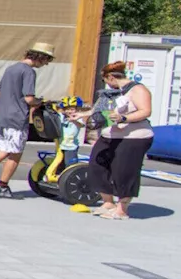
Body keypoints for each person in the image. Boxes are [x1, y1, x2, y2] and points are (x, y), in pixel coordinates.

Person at [0, 42, 54, 200]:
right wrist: (41, 101)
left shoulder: (11, 69)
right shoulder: (29, 72)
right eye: (46, 61)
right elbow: (29, 98)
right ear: (40, 57)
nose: (46, 64)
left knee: (5, 150)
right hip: (16, 117)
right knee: (12, 152)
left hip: (1, 116)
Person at [77, 61, 154, 220]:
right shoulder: (112, 92)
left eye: (105, 80)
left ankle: (122, 209)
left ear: (111, 77)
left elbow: (146, 111)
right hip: (110, 135)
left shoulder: (137, 89)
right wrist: (81, 116)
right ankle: (108, 202)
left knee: (123, 171)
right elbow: (101, 112)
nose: (106, 84)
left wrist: (124, 117)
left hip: (134, 136)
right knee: (97, 164)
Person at [58, 96, 84, 168]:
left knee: (70, 164)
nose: (69, 111)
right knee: (60, 163)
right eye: (67, 109)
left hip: (71, 146)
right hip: (61, 145)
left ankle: (71, 177)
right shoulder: (62, 117)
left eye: (72, 109)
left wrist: (74, 120)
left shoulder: (78, 118)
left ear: (77, 109)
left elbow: (81, 125)